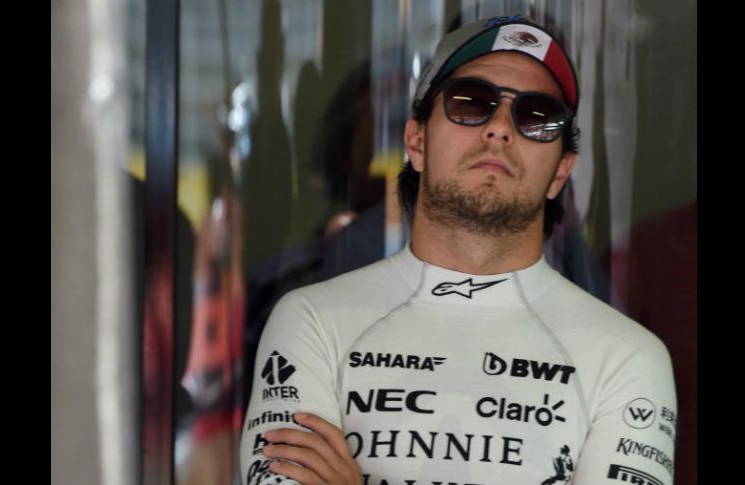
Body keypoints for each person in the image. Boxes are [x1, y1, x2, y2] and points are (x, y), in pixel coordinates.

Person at [239, 14, 677, 485]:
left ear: (560, 172)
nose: (500, 129)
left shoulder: (629, 357)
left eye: (536, 117)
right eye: (471, 103)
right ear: (417, 142)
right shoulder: (311, 321)